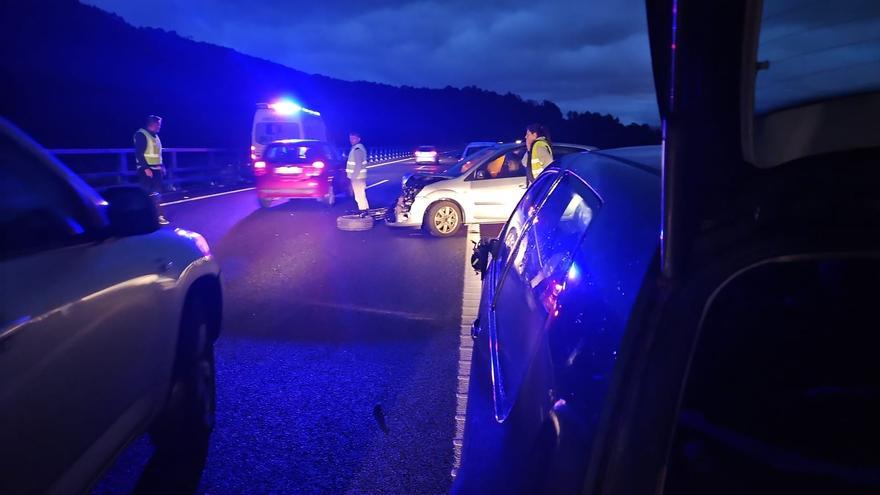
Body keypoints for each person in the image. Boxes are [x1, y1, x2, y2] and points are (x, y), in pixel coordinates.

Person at [134, 115, 169, 224]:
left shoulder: (155, 136)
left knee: (157, 194)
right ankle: (144, 216)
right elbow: (139, 153)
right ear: (153, 124)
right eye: (158, 124)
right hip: (147, 169)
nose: (159, 126)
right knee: (146, 193)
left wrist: (162, 166)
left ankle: (157, 216)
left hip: (156, 169)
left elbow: (158, 154)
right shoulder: (141, 134)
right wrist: (145, 168)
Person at [346, 131, 369, 211]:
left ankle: (363, 212)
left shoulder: (357, 149)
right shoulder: (357, 148)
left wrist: (353, 177)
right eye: (350, 138)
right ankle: (365, 211)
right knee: (360, 195)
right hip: (359, 177)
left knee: (359, 196)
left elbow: (358, 165)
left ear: (358, 139)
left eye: (353, 138)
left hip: (357, 178)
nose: (351, 140)